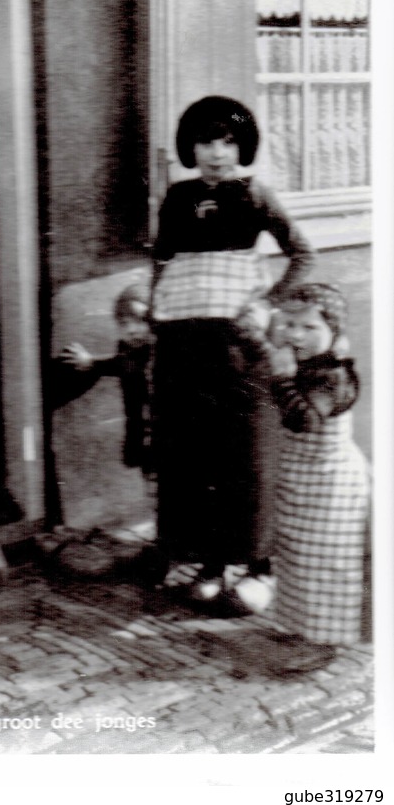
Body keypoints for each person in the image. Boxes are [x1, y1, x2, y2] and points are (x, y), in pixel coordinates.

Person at [148, 95, 315, 614]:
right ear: (189, 147)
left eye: (228, 142)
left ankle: (252, 563)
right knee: (184, 453)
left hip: (236, 347)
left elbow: (303, 254)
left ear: (242, 147)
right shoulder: (177, 198)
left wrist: (265, 302)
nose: (217, 153)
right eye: (205, 142)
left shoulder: (255, 197)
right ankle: (196, 559)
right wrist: (157, 318)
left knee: (241, 455)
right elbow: (162, 261)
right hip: (180, 343)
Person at [267, 283, 369, 673]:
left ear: (334, 331)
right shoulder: (305, 365)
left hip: (330, 485)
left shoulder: (332, 375)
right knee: (296, 557)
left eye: (308, 327)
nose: (295, 334)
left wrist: (281, 380)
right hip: (302, 480)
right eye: (290, 324)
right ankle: (302, 627)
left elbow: (304, 419)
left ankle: (325, 642)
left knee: (325, 563)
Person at [59, 283, 154, 471]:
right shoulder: (128, 348)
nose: (131, 330)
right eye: (124, 323)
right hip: (142, 431)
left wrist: (93, 362)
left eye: (140, 320)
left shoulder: (156, 349)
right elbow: (125, 365)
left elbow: (131, 365)